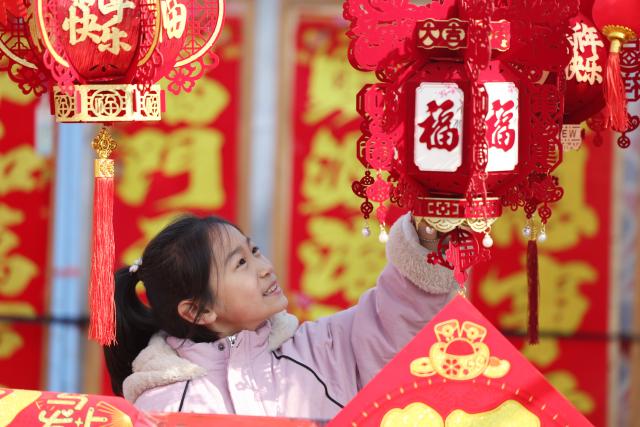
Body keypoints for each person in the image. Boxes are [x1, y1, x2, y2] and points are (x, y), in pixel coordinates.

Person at [104, 213, 455, 419]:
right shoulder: (163, 408)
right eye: (241, 263)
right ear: (199, 310)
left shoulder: (324, 348)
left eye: (254, 250)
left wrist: (428, 233)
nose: (264, 268)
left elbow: (399, 311)